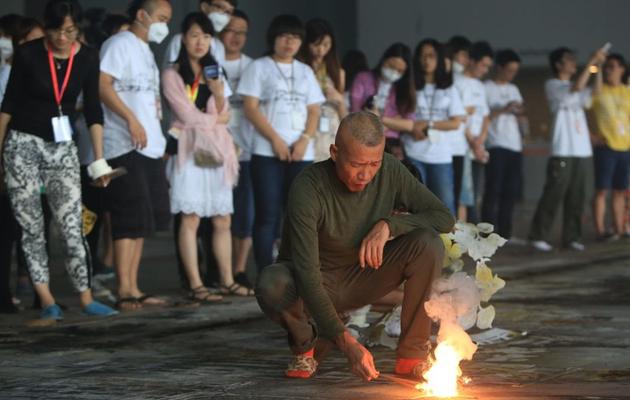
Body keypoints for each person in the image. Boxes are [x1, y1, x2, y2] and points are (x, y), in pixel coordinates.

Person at [256, 111, 455, 380]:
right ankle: (306, 347)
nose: (366, 175)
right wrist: (346, 342)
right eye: (357, 164)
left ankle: (411, 355)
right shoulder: (308, 187)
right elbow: (307, 272)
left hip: (362, 274)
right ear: (335, 152)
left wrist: (389, 225)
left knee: (427, 244)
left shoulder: (390, 168)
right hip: (313, 282)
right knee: (272, 283)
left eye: (373, 164)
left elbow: (443, 218)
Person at [0, 0, 118, 320]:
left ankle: (86, 296)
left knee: (71, 223)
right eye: (55, 30)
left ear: (78, 29)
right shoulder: (28, 54)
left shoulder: (89, 56)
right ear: (46, 26)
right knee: (31, 226)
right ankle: (47, 299)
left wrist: (99, 159)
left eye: (69, 31)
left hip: (63, 144)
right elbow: (8, 105)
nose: (62, 37)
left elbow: (94, 110)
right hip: (22, 142)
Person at [163, 12, 252, 299]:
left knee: (222, 218)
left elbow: (223, 113)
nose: (200, 42)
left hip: (217, 151)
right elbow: (186, 114)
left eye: (205, 36)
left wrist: (216, 94)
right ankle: (196, 284)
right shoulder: (172, 74)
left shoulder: (215, 72)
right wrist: (215, 116)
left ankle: (227, 280)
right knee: (190, 218)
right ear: (183, 38)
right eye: (194, 35)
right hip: (188, 150)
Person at [99, 0, 172, 310]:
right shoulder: (119, 43)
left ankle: (134, 286)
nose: (163, 25)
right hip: (124, 142)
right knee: (127, 217)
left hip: (149, 144)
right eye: (160, 18)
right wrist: (130, 118)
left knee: (142, 218)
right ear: (141, 15)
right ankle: (123, 289)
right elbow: (103, 85)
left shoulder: (146, 50)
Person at [238, 14, 324, 270]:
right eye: (285, 36)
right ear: (273, 38)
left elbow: (314, 110)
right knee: (267, 215)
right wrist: (275, 139)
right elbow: (250, 108)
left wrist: (304, 140)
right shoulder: (259, 67)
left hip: (301, 153)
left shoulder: (305, 71)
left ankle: (299, 271)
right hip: (266, 152)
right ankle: (266, 273)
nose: (290, 42)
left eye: (296, 38)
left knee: (300, 216)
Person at [528, 46, 607, 252]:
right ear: (558, 64)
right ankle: (538, 235)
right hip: (562, 148)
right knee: (554, 193)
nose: (573, 63)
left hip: (581, 150)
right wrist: (590, 62)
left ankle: (572, 237)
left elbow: (595, 93)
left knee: (577, 196)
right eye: (569, 60)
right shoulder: (553, 84)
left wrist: (597, 67)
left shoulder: (576, 84)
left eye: (574, 60)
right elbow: (575, 89)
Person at [383, 39, 465, 213]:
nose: (426, 60)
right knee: (413, 206)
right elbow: (397, 115)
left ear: (439, 59)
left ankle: (446, 242)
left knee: (446, 209)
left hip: (440, 155)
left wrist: (428, 124)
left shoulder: (449, 88)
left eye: (431, 56)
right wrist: (411, 127)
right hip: (413, 152)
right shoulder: (409, 86)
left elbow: (456, 122)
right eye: (422, 56)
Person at [220, 9, 254, 288]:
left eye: (242, 32)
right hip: (213, 151)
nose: (236, 37)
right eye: (231, 30)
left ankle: (239, 269)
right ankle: (218, 272)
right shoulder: (210, 61)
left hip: (248, 150)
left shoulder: (253, 66)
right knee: (216, 214)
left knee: (245, 212)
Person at [481, 49, 527, 241]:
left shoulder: (514, 89)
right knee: (493, 189)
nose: (511, 74)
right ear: (499, 67)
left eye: (515, 71)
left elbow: (522, 115)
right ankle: (487, 234)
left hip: (514, 145)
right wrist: (503, 109)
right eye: (509, 70)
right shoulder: (486, 87)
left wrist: (520, 116)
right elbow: (483, 117)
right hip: (495, 143)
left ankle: (505, 233)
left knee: (511, 191)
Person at [350, 43, 415, 160]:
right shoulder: (363, 78)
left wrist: (379, 119)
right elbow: (355, 112)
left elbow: (409, 125)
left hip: (391, 145)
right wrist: (394, 122)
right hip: (364, 140)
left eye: (399, 71)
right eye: (391, 66)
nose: (394, 72)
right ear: (384, 59)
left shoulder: (404, 89)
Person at [452, 41, 493, 222]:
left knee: (476, 192)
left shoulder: (480, 86)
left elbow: (485, 116)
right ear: (471, 61)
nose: (485, 70)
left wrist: (480, 140)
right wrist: (472, 141)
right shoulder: (456, 82)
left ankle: (473, 233)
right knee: (463, 193)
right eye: (483, 65)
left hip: (477, 146)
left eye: (488, 67)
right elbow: (459, 116)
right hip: (461, 145)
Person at [590, 53, 630, 240]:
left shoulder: (627, 91)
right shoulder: (600, 90)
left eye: (613, 66)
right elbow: (580, 111)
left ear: (622, 69)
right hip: (605, 147)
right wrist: (590, 136)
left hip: (625, 147)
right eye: (607, 67)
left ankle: (619, 229)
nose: (609, 70)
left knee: (620, 191)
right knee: (601, 190)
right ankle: (600, 231)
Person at [298, 18, 348, 161]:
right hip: (308, 125)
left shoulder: (338, 72)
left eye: (326, 45)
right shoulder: (301, 69)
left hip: (331, 128)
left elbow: (343, 115)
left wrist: (339, 99)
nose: (321, 50)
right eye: (316, 45)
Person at [163, 0, 237, 69]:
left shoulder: (219, 46)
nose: (224, 14)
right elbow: (170, 75)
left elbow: (220, 77)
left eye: (228, 12)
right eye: (219, 7)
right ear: (204, 7)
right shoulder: (179, 40)